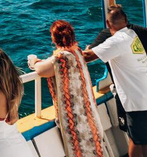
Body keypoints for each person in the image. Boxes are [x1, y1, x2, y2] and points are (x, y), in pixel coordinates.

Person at [83, 6, 147, 157]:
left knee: (146, 142)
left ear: (108, 23)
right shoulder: (131, 34)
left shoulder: (116, 41)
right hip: (145, 96)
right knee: (136, 139)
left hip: (139, 101)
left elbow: (87, 57)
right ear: (126, 20)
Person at [29, 21, 115, 157]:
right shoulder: (77, 52)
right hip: (89, 114)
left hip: (75, 120)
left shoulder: (60, 58)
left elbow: (41, 70)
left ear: (54, 39)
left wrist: (34, 61)